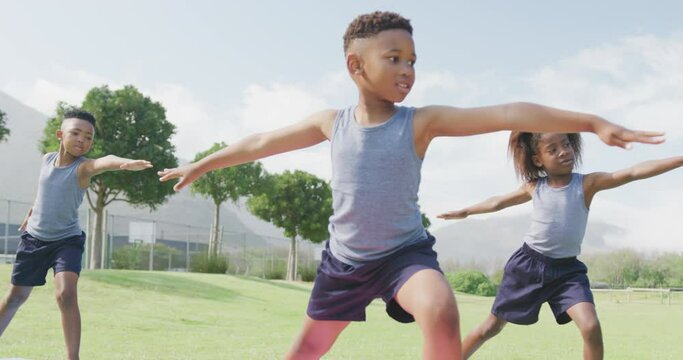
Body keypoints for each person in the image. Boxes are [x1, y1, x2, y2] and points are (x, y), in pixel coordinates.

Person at [158, 11, 663, 360]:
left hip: (404, 256)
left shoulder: (420, 122)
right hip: (346, 263)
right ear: (356, 66)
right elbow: (262, 141)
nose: (407, 70)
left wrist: (591, 119)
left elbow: (509, 113)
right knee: (306, 350)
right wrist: (202, 165)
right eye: (394, 58)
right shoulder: (329, 123)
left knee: (441, 308)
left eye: (413, 60)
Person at [438, 132, 681, 359]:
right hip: (527, 267)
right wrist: (467, 211)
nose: (564, 151)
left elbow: (634, 172)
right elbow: (498, 202)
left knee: (591, 326)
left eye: (566, 144)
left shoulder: (587, 184)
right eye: (552, 149)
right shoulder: (534, 186)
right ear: (538, 159)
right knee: (490, 327)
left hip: (568, 273)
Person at [0, 109, 153, 360]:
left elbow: (103, 161)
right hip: (34, 240)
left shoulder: (83, 169)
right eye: (76, 133)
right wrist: (31, 211)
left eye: (89, 137)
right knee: (15, 297)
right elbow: (43, 189)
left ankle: (73, 358)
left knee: (66, 293)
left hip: (66, 241)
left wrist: (123, 163)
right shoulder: (47, 159)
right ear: (61, 135)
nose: (83, 140)